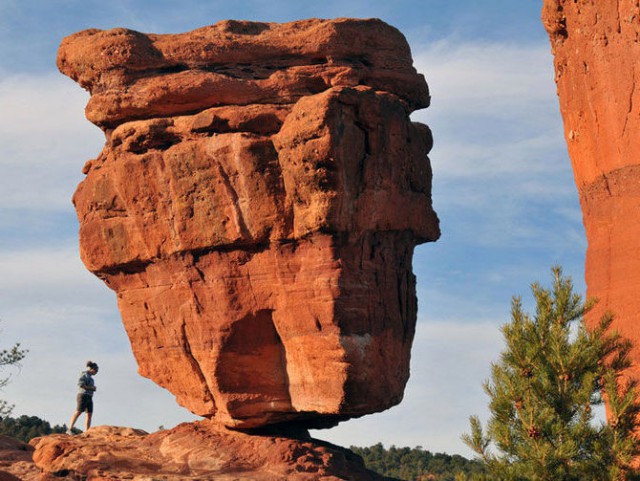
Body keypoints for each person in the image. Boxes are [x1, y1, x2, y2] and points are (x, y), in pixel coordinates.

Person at [67, 361, 98, 434]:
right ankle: (69, 429)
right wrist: (92, 388)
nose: (97, 372)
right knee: (78, 411)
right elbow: (80, 385)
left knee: (89, 414)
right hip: (83, 395)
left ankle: (87, 431)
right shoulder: (84, 374)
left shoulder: (91, 378)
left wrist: (92, 388)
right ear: (92, 369)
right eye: (96, 370)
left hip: (89, 397)